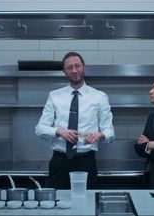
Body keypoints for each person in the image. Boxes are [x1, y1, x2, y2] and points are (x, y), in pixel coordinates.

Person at [36, 52, 115, 189]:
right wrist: (59, 131)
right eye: (69, 68)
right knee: (57, 205)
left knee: (87, 206)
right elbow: (40, 129)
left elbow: (110, 131)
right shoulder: (54, 96)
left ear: (84, 67)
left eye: (77, 66)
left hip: (86, 161)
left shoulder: (99, 97)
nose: (74, 70)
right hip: (60, 162)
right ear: (64, 71)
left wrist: (100, 135)